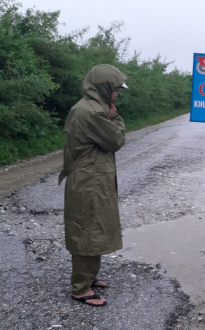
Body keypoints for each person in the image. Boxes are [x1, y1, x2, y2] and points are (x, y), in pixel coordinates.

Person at [58, 64, 128, 307]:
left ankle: (88, 276)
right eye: (115, 89)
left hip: (92, 180)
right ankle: (80, 288)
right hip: (88, 182)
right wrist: (115, 116)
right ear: (103, 87)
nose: (117, 94)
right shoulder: (93, 112)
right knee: (87, 229)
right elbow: (115, 139)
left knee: (94, 227)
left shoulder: (91, 106)